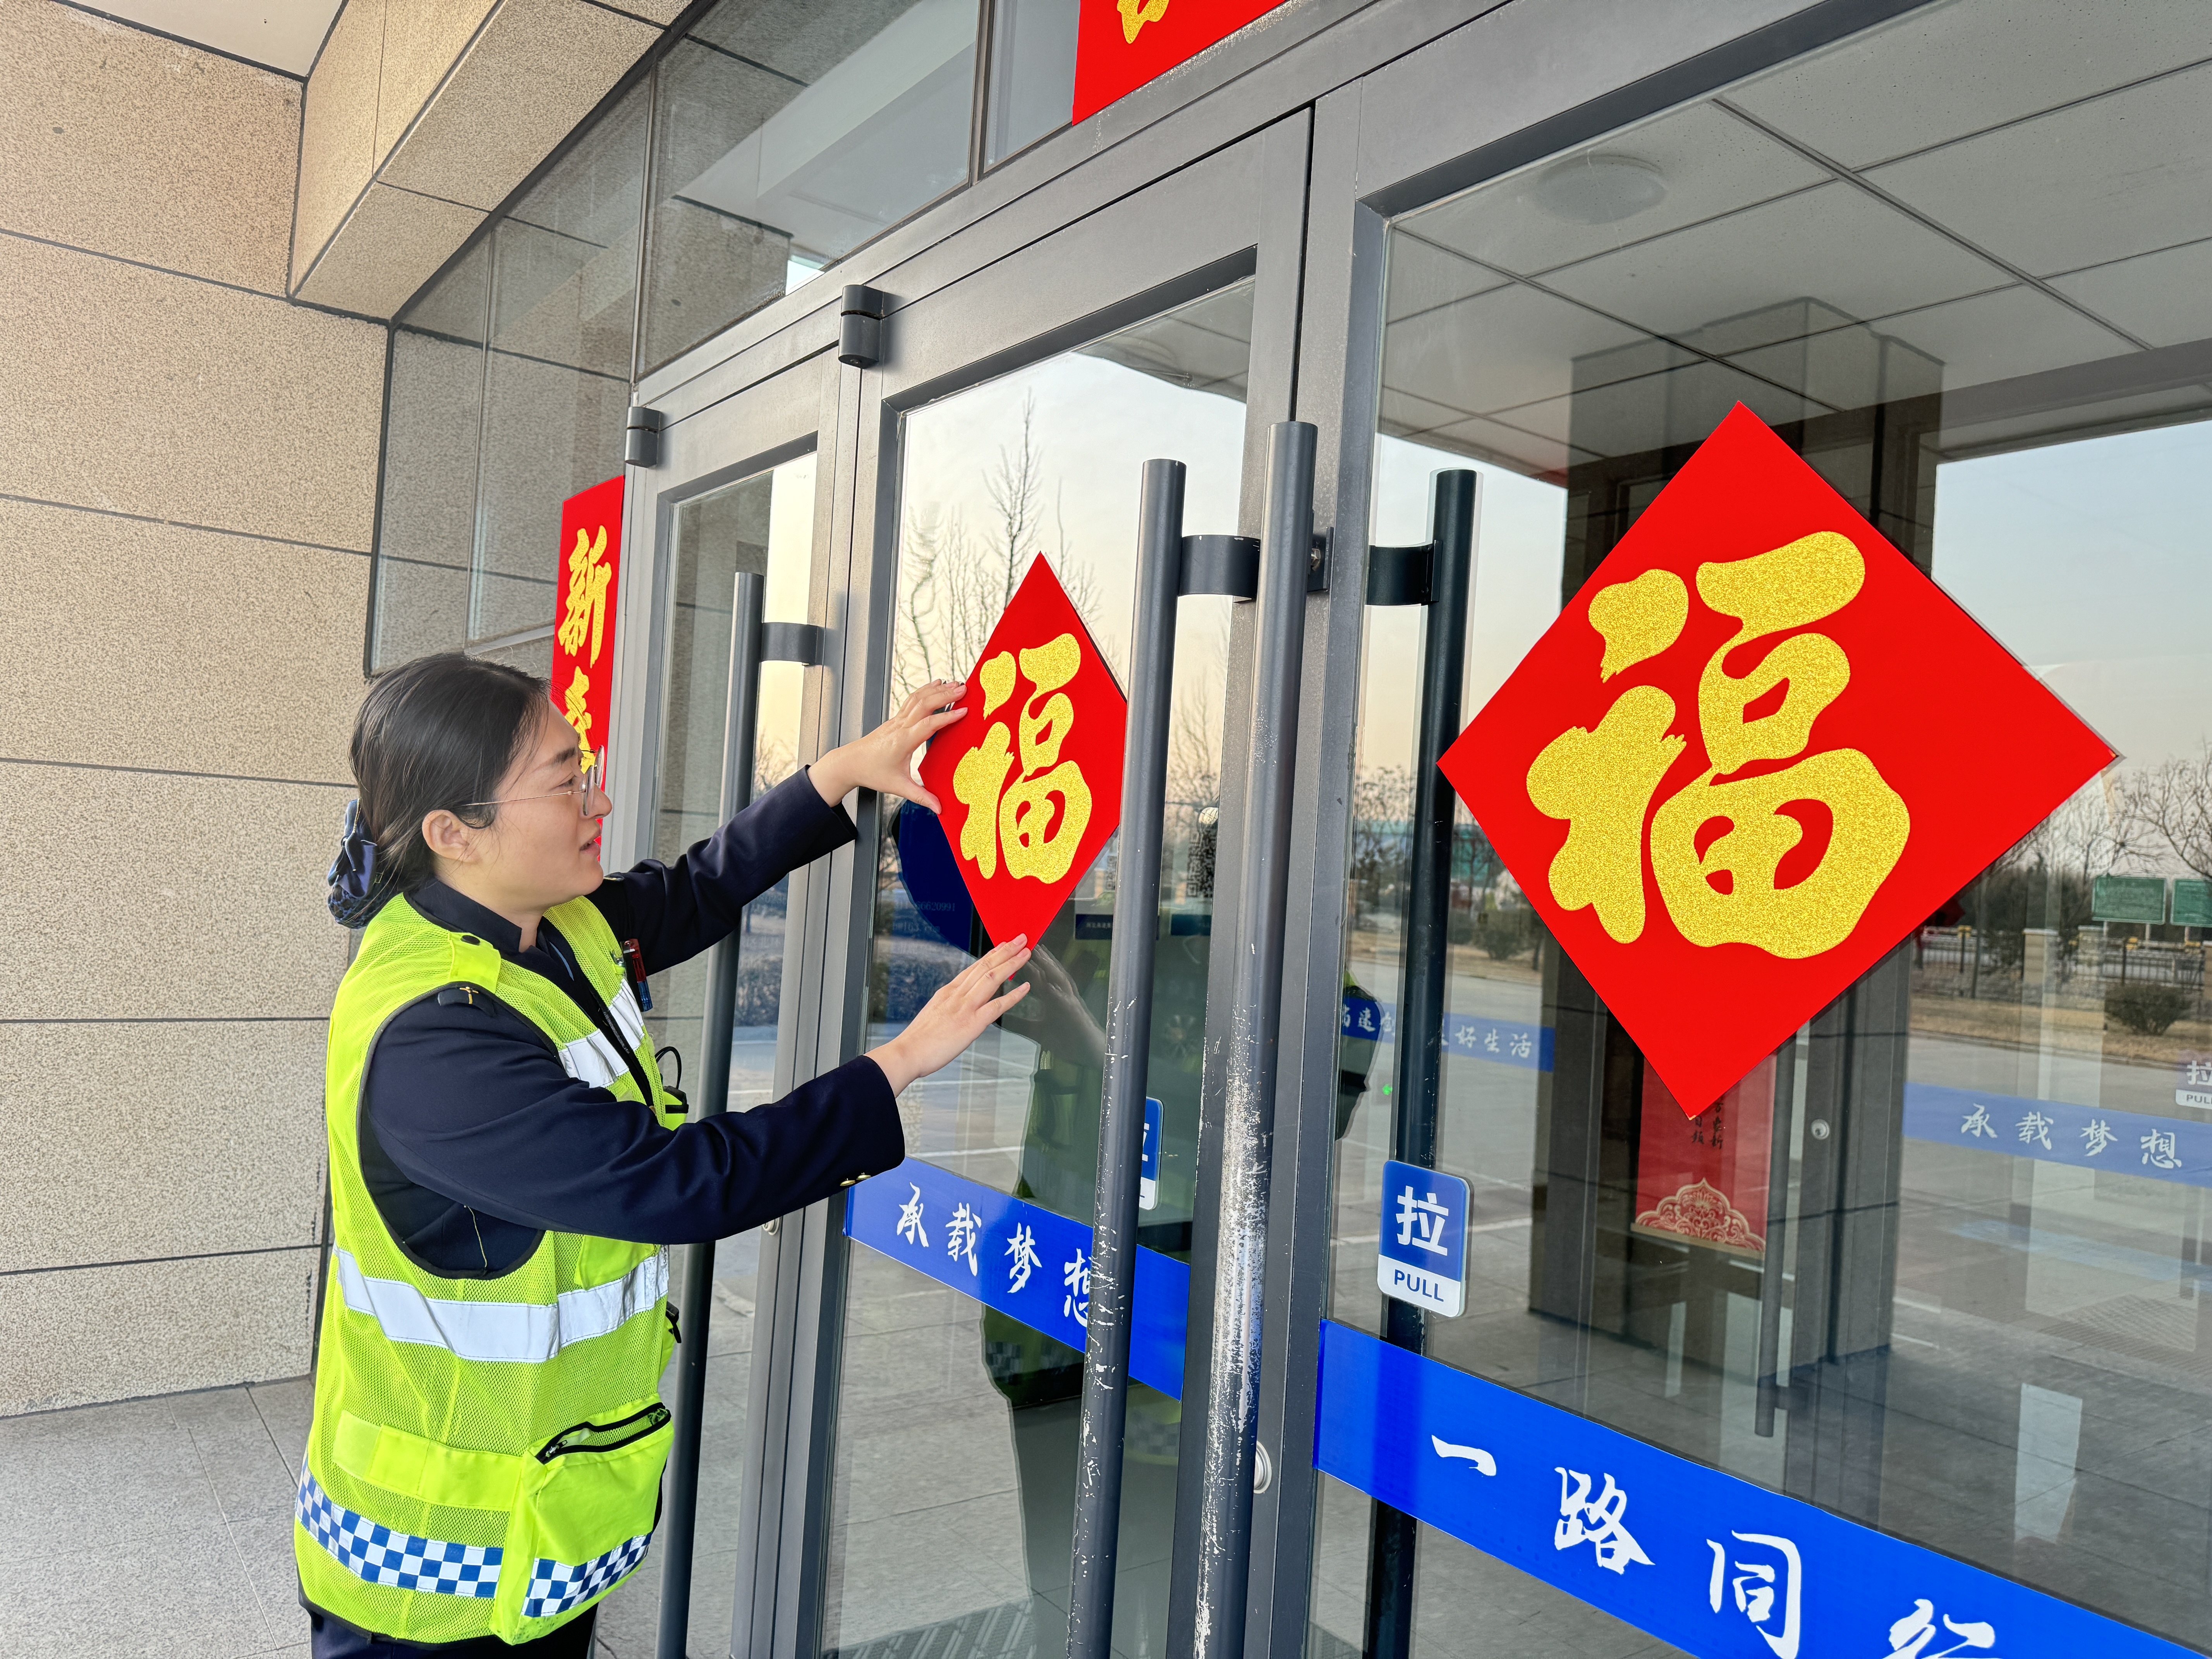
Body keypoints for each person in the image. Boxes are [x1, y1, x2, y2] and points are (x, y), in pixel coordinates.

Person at [298, 653, 1030, 1656]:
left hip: (538, 1521)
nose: (598, 800)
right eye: (566, 780)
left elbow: (697, 890)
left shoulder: (546, 924)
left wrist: (844, 770)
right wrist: (899, 1061)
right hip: (427, 1572)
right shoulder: (433, 1034)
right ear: (454, 833)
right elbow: (680, 1182)